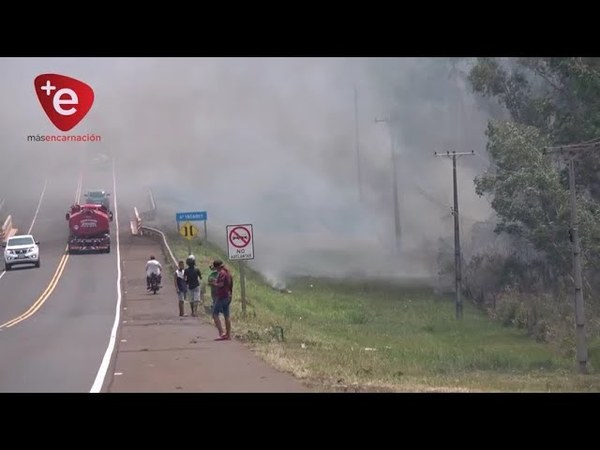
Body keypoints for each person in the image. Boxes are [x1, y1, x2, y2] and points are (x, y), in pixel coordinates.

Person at [209, 260, 233, 341]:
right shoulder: (227, 272)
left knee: (215, 314)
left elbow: (221, 284)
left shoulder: (222, 273)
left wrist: (214, 284)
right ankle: (228, 335)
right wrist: (215, 281)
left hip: (222, 296)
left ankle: (221, 333)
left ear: (217, 267)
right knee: (227, 315)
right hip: (228, 296)